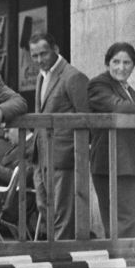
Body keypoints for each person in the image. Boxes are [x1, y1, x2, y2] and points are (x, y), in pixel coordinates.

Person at [88, 41, 135, 239]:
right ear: (107, 63)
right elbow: (116, 106)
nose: (121, 67)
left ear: (134, 66)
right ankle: (124, 265)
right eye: (116, 61)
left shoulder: (129, 90)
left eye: (127, 63)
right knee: (122, 221)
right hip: (110, 162)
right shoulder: (99, 84)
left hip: (129, 162)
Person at [27, 32, 89, 239]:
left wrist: (78, 152)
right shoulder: (41, 76)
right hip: (41, 154)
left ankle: (63, 255)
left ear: (56, 50)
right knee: (44, 206)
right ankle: (54, 251)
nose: (39, 60)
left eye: (43, 54)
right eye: (34, 56)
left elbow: (86, 118)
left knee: (62, 211)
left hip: (63, 154)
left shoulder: (73, 76)